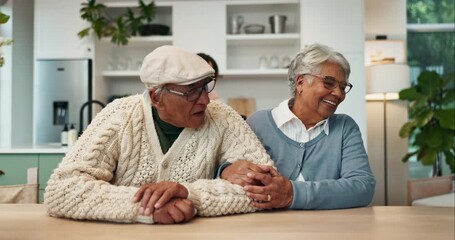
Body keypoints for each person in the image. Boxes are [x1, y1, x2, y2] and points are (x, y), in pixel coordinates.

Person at [44, 45, 274, 224]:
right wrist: (147, 209)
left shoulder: (222, 117)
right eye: (191, 92)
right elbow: (62, 191)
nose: (204, 99)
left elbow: (268, 189)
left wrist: (189, 193)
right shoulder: (119, 116)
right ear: (156, 97)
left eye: (205, 87)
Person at [220, 43, 376, 210]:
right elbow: (223, 170)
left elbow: (362, 187)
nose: (339, 94)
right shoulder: (258, 123)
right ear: (301, 82)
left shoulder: (345, 127)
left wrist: (293, 193)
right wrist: (225, 171)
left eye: (343, 87)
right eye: (329, 83)